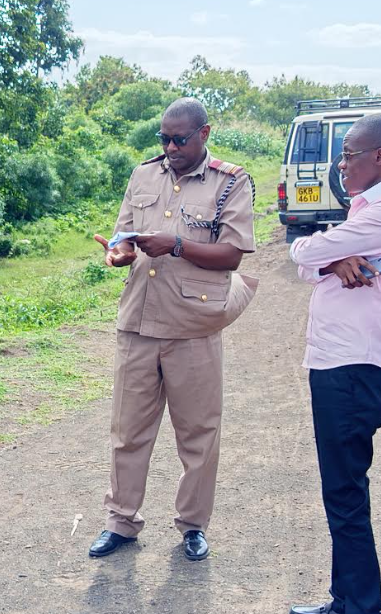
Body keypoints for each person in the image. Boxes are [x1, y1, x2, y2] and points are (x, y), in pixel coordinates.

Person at [88, 97, 258, 562]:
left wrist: (177, 245)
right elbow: (125, 240)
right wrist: (119, 254)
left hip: (193, 326)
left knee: (198, 434)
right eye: (163, 139)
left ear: (204, 134)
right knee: (128, 431)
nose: (170, 148)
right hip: (139, 322)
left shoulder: (231, 181)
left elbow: (233, 254)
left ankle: (193, 525)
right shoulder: (143, 175)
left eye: (179, 139)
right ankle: (121, 521)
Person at [289, 113, 381, 614]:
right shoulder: (370, 209)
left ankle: (360, 605)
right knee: (341, 491)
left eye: (348, 155)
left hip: (353, 366)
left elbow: (305, 248)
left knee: (345, 493)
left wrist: (320, 255)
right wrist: (330, 262)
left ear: (380, 157)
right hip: (339, 362)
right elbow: (309, 263)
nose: (340, 165)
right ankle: (346, 599)